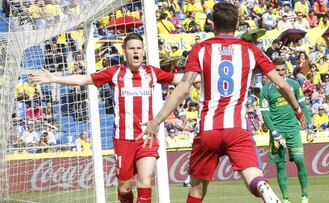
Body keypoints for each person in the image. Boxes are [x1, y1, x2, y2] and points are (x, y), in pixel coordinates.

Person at [140, 3, 308, 203]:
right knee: (253, 176)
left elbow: (184, 87)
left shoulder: (200, 50)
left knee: (196, 190)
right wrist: (298, 111)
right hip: (237, 128)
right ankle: (262, 187)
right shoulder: (250, 51)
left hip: (208, 129)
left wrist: (156, 121)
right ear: (237, 23)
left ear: (212, 23)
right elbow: (283, 86)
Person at [31, 33, 186, 203]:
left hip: (146, 136)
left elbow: (178, 79)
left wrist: (204, 75)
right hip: (123, 139)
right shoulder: (115, 73)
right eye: (132, 48)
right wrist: (54, 78)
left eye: (139, 48)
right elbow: (83, 80)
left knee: (145, 181)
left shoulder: (151, 73)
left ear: (143, 52)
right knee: (124, 188)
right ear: (124, 51)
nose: (136, 51)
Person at [259, 58, 313, 203]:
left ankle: (304, 196)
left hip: (293, 129)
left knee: (300, 160)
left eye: (283, 70)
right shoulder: (265, 90)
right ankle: (286, 198)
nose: (281, 73)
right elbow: (266, 115)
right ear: (272, 72)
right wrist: (275, 133)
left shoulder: (294, 85)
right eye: (278, 70)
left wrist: (310, 126)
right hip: (277, 132)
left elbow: (303, 106)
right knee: (281, 165)